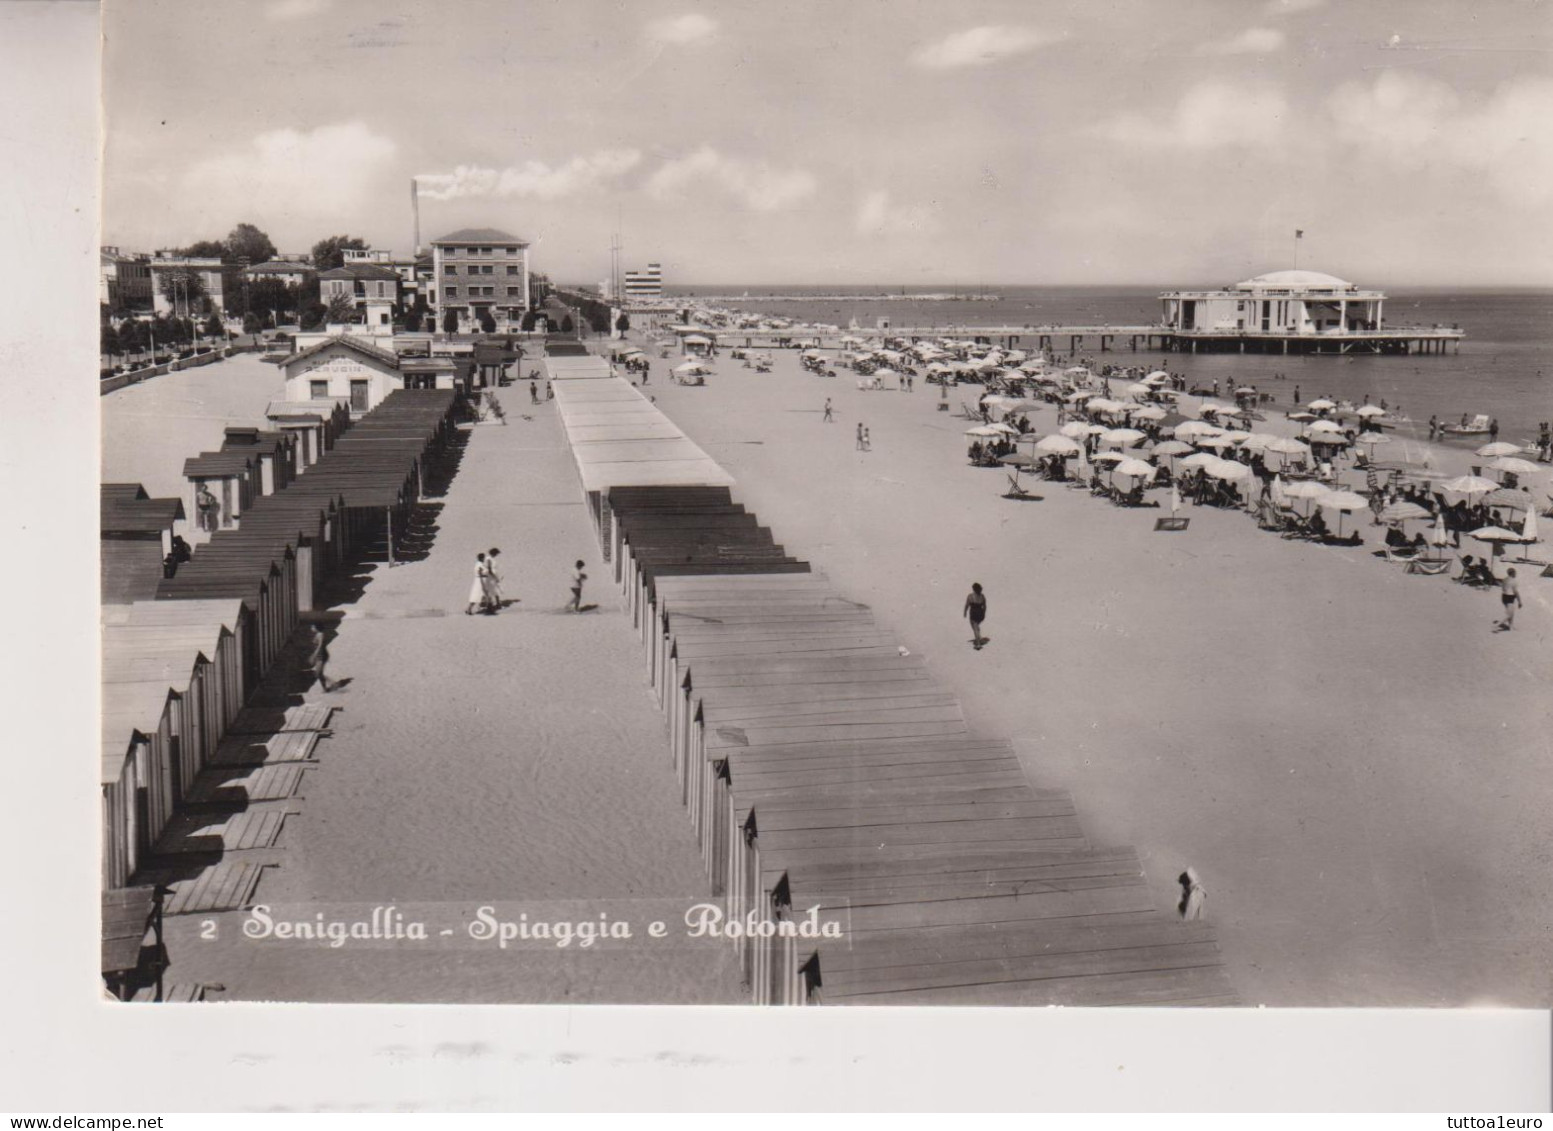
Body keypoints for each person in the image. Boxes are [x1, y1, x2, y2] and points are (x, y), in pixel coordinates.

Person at [303, 623, 336, 693]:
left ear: (316, 628)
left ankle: (326, 687)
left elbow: (320, 646)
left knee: (318, 673)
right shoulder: (318, 634)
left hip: (321, 655)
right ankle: (329, 683)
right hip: (319, 655)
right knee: (318, 673)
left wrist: (314, 655)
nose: (311, 628)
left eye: (313, 627)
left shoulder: (320, 634)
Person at [963, 582, 987, 649]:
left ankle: (978, 644)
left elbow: (967, 605)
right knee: (976, 626)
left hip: (973, 613)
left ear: (973, 589)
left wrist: (965, 612)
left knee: (975, 628)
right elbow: (985, 606)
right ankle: (980, 639)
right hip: (980, 613)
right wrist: (984, 614)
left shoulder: (970, 596)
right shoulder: (982, 596)